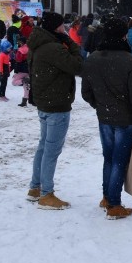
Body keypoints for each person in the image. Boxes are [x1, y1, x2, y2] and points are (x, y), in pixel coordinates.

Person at [81, 17, 132, 219]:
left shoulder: (93, 58)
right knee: (118, 161)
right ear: (124, 35)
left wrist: (101, 105)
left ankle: (107, 196)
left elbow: (86, 92)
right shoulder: (129, 60)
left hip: (105, 117)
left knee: (109, 158)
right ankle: (114, 204)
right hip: (124, 120)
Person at [26, 11, 84, 210]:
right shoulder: (53, 47)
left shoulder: (38, 43)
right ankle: (46, 194)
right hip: (56, 103)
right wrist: (72, 44)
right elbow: (78, 66)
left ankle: (35, 187)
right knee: (51, 150)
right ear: (55, 27)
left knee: (43, 146)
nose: (64, 29)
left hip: (44, 102)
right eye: (62, 26)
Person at [12, 42, 30, 107]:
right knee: (26, 88)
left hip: (21, 71)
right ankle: (24, 101)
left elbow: (17, 62)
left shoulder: (20, 50)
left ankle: (23, 80)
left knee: (14, 82)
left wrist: (15, 72)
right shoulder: (29, 49)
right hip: (28, 70)